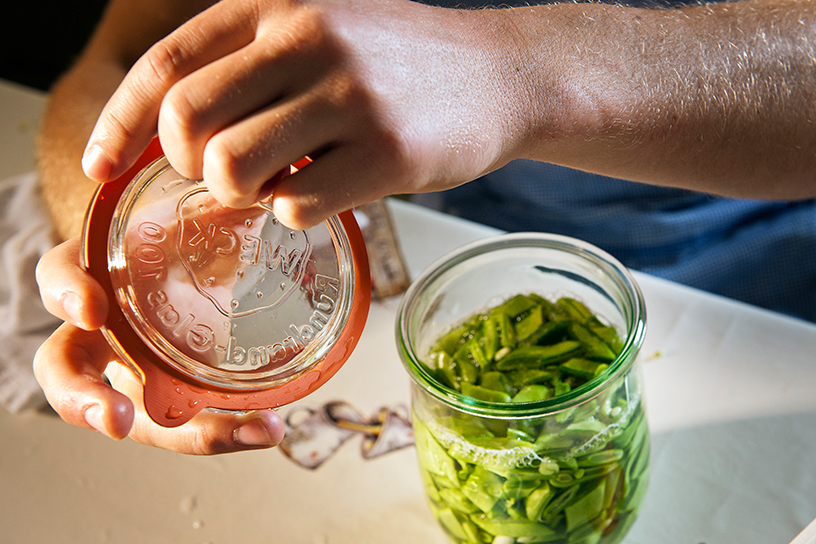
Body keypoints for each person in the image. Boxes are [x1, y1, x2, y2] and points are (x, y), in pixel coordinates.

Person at [34, 0, 816, 454]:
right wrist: (131, 263)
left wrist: (521, 71)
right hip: (446, 260)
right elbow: (124, 56)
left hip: (774, 272)